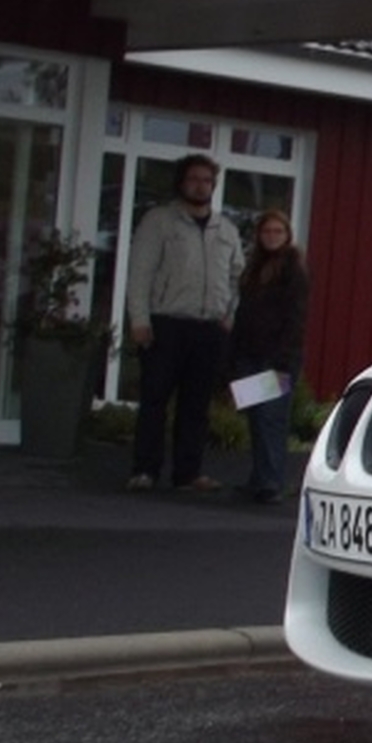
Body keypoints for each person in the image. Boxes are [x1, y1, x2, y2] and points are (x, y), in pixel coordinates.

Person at [124, 154, 243, 492]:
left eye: (206, 180)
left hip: (208, 328)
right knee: (155, 400)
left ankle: (188, 473)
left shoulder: (227, 230)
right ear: (181, 182)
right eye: (194, 179)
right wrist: (140, 319)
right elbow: (141, 273)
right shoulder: (159, 222)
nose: (200, 185)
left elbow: (238, 278)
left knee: (196, 405)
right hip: (166, 323)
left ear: (214, 186)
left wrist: (228, 315)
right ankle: (145, 470)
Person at [228, 208, 310, 503]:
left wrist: (284, 359)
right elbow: (243, 312)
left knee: (271, 418)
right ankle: (259, 478)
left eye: (278, 231)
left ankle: (272, 482)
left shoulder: (293, 270)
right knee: (255, 418)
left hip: (277, 358)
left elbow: (295, 318)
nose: (272, 236)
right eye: (267, 231)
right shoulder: (253, 269)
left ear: (287, 235)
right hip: (249, 354)